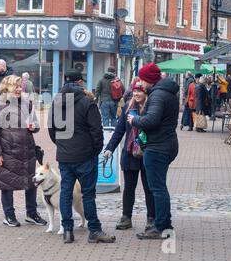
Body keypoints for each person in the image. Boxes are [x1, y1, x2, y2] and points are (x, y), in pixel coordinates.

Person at [48, 71, 116, 244]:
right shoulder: (87, 102)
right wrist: (95, 150)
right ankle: (94, 230)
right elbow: (96, 131)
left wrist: (62, 145)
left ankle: (68, 230)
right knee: (88, 194)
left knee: (65, 192)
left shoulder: (56, 102)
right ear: (79, 82)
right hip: (85, 155)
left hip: (65, 155)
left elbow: (51, 130)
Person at [127, 63, 179, 239]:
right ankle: (165, 223)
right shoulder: (168, 92)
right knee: (159, 186)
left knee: (157, 188)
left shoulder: (157, 95)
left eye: (142, 79)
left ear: (149, 79)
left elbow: (152, 120)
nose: (141, 82)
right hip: (167, 144)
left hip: (158, 146)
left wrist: (135, 120)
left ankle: (161, 226)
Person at [0, 75, 47, 227]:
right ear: (7, 87)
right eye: (16, 86)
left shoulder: (26, 103)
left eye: (20, 86)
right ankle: (9, 215)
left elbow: (36, 124)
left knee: (31, 183)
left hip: (27, 150)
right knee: (7, 184)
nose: (20, 89)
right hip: (8, 151)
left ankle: (32, 213)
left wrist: (33, 126)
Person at [103, 78, 155, 232]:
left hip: (146, 152)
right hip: (130, 152)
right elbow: (119, 131)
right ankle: (126, 217)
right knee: (129, 188)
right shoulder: (127, 107)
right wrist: (109, 149)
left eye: (140, 91)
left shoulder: (152, 107)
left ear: (146, 92)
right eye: (135, 91)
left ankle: (151, 218)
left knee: (149, 188)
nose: (137, 93)